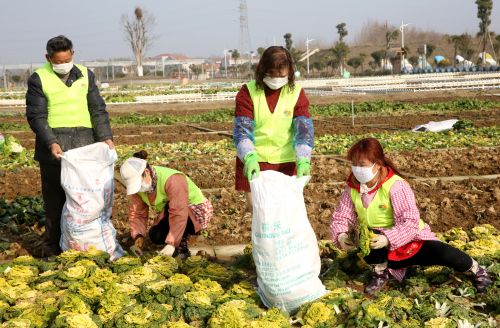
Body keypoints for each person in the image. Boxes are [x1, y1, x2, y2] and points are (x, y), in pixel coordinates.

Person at [330, 138, 492, 294]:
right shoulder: (352, 188)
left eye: (362, 164)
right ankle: (380, 274)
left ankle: (477, 271)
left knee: (445, 254)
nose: (357, 169)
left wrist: (388, 238)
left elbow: (410, 221)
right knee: (367, 235)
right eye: (354, 164)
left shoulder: (396, 185)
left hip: (412, 241)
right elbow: (341, 216)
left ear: (377, 164)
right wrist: (342, 235)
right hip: (378, 247)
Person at [26, 35, 114, 257]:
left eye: (67, 58)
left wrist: (105, 136)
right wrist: (51, 142)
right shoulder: (38, 79)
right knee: (55, 203)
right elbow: (36, 116)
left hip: (84, 145)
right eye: (58, 60)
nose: (64, 63)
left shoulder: (85, 74)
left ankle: (86, 247)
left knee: (86, 200)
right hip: (54, 148)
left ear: (72, 55)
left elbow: (97, 109)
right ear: (48, 58)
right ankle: (52, 250)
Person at [233, 46, 314, 214]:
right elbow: (242, 130)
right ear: (263, 70)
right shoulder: (248, 92)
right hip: (253, 162)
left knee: (285, 215)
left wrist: (303, 159)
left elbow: (303, 131)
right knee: (259, 214)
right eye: (272, 75)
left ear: (290, 72)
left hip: (285, 163)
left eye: (282, 76)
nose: (277, 80)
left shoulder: (296, 93)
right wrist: (249, 157)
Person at [120, 150, 213, 260]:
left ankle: (182, 248)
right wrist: (138, 235)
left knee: (171, 206)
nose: (138, 189)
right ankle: (176, 240)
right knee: (156, 235)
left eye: (137, 184)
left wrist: (171, 244)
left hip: (195, 210)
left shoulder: (173, 179)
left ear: (147, 172)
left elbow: (178, 211)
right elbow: (138, 213)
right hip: (170, 213)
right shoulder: (139, 189)